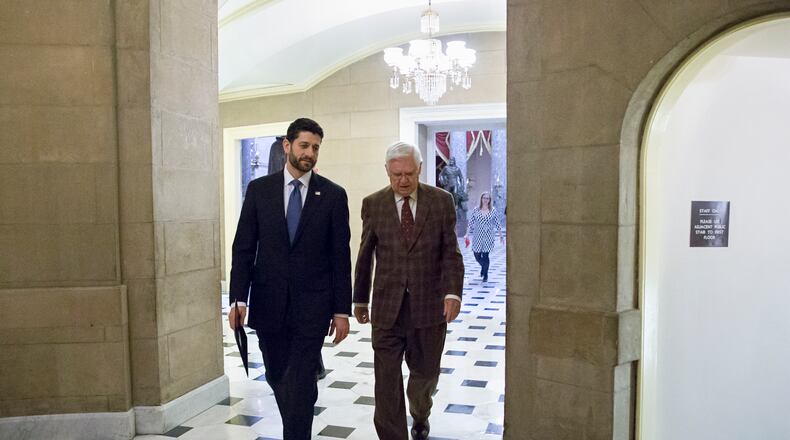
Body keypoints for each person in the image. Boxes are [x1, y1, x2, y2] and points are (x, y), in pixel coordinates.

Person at [228, 118, 352, 440]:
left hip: (313, 309)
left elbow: (340, 257)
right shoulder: (259, 191)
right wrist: (238, 299)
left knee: (297, 382)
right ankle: (299, 414)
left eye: (315, 148)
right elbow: (243, 248)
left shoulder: (333, 195)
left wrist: (341, 311)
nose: (310, 153)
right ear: (287, 146)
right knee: (277, 375)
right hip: (268, 305)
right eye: (304, 145)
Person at [353, 141, 465, 440]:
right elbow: (365, 254)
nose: (403, 181)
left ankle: (420, 411)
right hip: (387, 308)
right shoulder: (374, 203)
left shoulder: (440, 201)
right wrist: (360, 299)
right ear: (387, 172)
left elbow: (450, 252)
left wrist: (452, 293)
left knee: (425, 375)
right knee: (386, 382)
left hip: (429, 308)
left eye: (409, 174)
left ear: (420, 169)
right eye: (396, 175)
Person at [465, 192, 504, 282]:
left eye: (487, 198)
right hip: (477, 235)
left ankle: (485, 274)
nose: (485, 200)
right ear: (481, 199)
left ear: (489, 200)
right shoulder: (476, 210)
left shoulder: (493, 210)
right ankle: (483, 266)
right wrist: (467, 234)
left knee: (486, 255)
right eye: (484, 198)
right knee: (477, 255)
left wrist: (501, 235)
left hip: (488, 235)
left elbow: (497, 223)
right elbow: (470, 223)